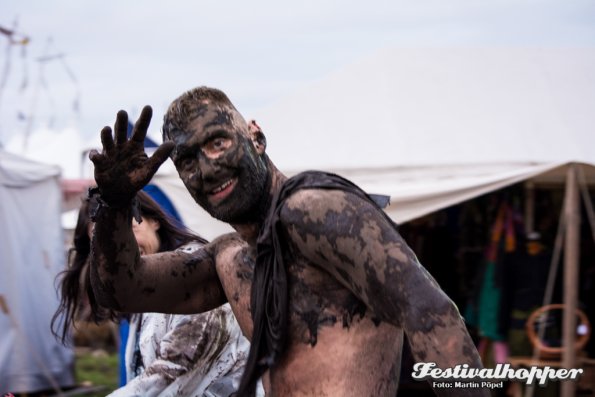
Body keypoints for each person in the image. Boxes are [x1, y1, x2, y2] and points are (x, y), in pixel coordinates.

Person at [88, 86, 488, 396]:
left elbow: (431, 313)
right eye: (189, 162)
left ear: (256, 137)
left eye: (217, 143)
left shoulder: (314, 211)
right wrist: (115, 204)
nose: (207, 169)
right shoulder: (230, 260)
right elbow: (120, 289)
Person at [52, 191, 257, 396]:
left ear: (154, 221)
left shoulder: (195, 275)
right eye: (105, 244)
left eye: (131, 229)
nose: (123, 248)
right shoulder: (141, 293)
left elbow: (171, 374)